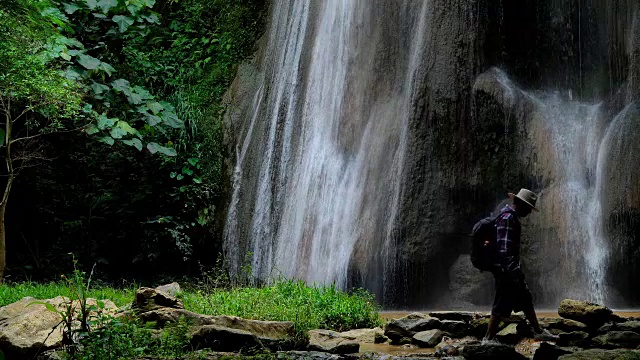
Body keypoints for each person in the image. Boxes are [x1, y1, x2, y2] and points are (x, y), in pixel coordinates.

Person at [483, 188, 558, 343]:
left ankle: (537, 331)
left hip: (509, 269)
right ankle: (488, 338)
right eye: (529, 208)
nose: (530, 212)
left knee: (525, 298)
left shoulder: (509, 216)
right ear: (521, 204)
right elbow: (504, 249)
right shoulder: (508, 218)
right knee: (500, 304)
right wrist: (514, 272)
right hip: (507, 270)